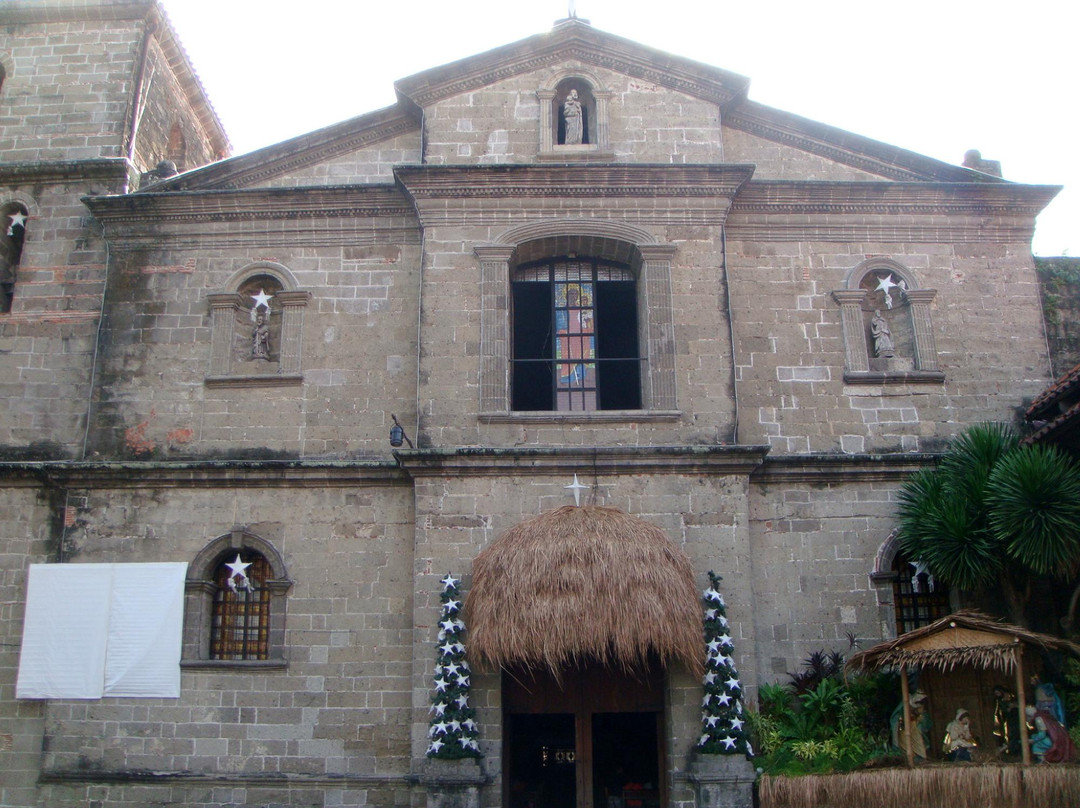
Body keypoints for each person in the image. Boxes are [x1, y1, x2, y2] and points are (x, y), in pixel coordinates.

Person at [891, 690, 930, 759]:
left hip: (914, 726)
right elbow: (898, 715)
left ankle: (920, 757)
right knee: (905, 743)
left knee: (919, 743)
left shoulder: (920, 706)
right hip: (904, 727)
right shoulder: (906, 702)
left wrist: (919, 717)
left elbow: (921, 715)